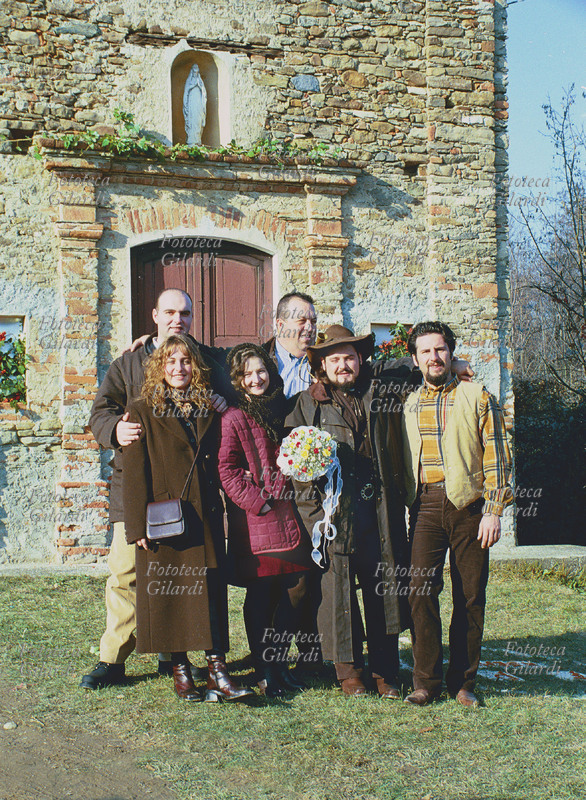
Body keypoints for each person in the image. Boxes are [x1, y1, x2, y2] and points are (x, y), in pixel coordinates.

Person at [80, 289, 229, 690]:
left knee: (181, 571)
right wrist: (115, 429)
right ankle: (112, 660)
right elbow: (99, 411)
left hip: (188, 491)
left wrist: (221, 397)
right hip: (136, 485)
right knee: (127, 571)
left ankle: (172, 655)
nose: (177, 318)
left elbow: (242, 388)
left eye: (185, 312)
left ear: (193, 318)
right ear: (154, 315)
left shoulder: (210, 361)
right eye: (169, 311)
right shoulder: (129, 361)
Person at [121, 334, 251, 701]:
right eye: (171, 362)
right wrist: (136, 528)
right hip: (163, 519)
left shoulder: (208, 406)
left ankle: (217, 670)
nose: (179, 368)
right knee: (171, 595)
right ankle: (180, 669)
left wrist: (223, 408)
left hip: (204, 516)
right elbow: (135, 473)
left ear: (196, 366)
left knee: (210, 592)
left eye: (186, 361)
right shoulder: (142, 409)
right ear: (160, 368)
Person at [286, 326, 411, 698]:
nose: (344, 365)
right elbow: (297, 468)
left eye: (350, 357)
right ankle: (349, 671)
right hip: (335, 512)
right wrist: (315, 519)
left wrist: (456, 362)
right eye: (335, 358)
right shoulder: (307, 404)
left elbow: (415, 362)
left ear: (360, 360)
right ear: (322, 365)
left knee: (383, 586)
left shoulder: (381, 391)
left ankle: (385, 670)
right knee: (338, 589)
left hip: (379, 508)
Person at [402, 321, 513, 708]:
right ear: (415, 358)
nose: (434, 357)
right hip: (424, 506)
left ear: (451, 352)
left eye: (441, 349)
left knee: (470, 596)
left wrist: (493, 510)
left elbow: (497, 455)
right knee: (420, 593)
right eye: (426, 351)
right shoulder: (407, 401)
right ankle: (426, 681)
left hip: (469, 506)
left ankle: (463, 682)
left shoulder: (476, 395)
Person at [218, 344, 312, 697]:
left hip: (290, 518)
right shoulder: (233, 418)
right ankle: (264, 670)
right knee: (261, 596)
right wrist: (257, 502)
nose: (256, 379)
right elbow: (226, 470)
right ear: (238, 381)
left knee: (294, 593)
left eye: (261, 371)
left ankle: (280, 664)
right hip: (256, 521)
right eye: (248, 374)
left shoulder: (283, 409)